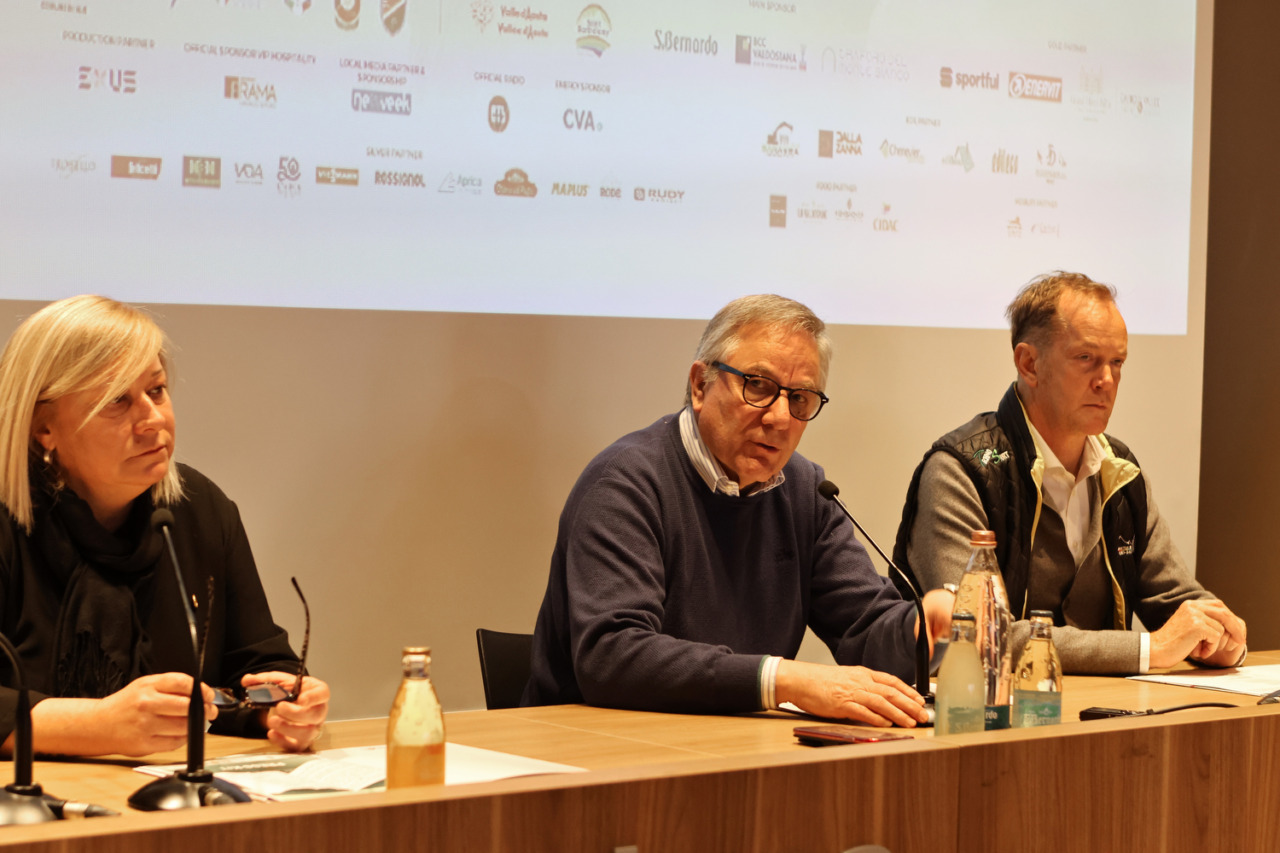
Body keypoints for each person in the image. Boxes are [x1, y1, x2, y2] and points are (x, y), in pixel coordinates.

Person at [523, 294, 954, 726]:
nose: (780, 418)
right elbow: (612, 654)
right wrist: (784, 680)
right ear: (700, 385)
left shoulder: (805, 491)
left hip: (731, 744)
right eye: (758, 386)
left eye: (800, 398)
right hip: (592, 745)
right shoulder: (625, 483)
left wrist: (923, 629)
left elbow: (865, 629)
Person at [0, 295, 329, 757]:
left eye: (156, 390)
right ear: (43, 427)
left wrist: (281, 706)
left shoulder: (198, 507)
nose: (153, 419)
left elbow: (255, 662)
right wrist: (97, 724)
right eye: (117, 401)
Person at [893, 272, 1246, 674]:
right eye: (1086, 359)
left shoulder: (1121, 472)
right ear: (1029, 364)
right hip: (986, 707)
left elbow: (1177, 601)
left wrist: (1218, 637)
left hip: (1103, 706)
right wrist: (1149, 649)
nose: (1107, 381)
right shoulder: (960, 471)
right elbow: (974, 633)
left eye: (1117, 362)